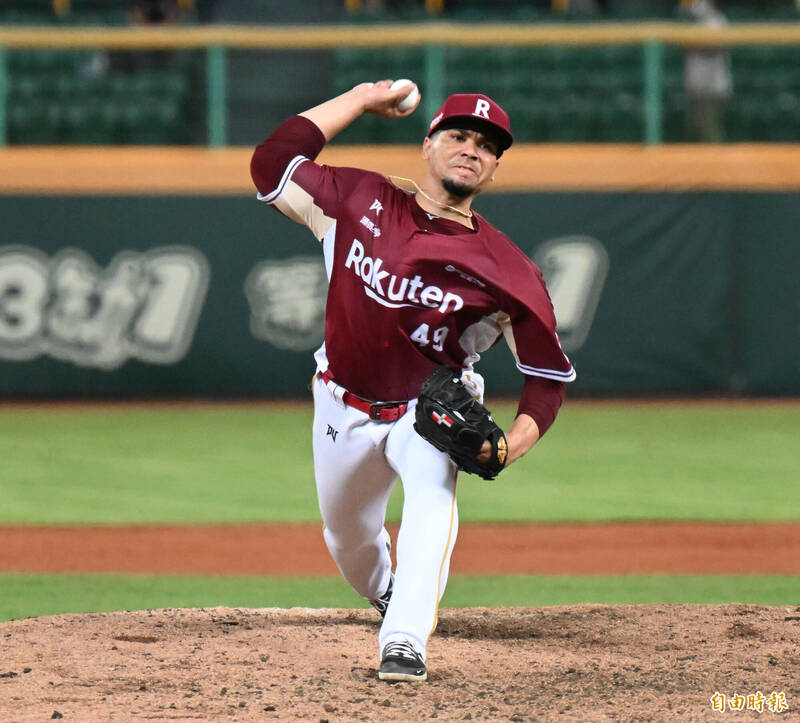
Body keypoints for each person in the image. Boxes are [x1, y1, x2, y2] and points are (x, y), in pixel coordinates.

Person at [250, 81, 575, 682]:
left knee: (432, 502)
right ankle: (385, 594)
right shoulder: (356, 199)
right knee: (348, 541)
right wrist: (360, 98)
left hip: (429, 412)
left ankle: (404, 640)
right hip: (341, 403)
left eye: (487, 146)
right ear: (427, 144)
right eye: (458, 136)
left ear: (495, 169)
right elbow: (271, 163)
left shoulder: (509, 271)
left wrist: (511, 445)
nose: (471, 149)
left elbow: (546, 379)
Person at [683, 0, 733, 142]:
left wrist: (690, 39)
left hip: (712, 86)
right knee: (696, 128)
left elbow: (706, 45)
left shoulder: (719, 21)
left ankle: (717, 154)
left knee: (710, 131)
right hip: (695, 84)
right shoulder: (695, 22)